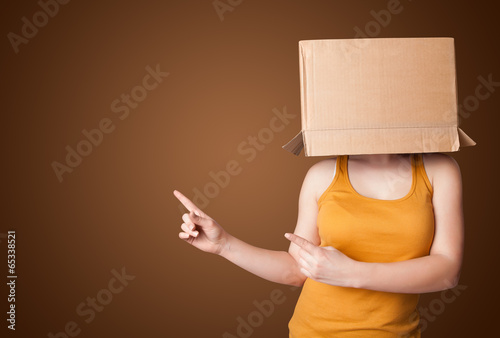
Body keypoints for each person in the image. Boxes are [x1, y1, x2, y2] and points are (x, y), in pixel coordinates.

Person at [173, 152, 464, 337]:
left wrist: (351, 273)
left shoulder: (438, 169)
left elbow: (447, 270)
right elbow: (297, 271)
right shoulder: (322, 174)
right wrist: (224, 244)